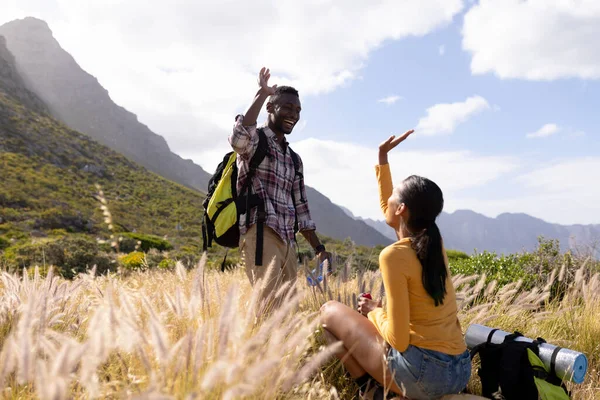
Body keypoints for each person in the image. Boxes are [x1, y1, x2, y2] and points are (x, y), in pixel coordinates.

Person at [319, 130, 470, 399]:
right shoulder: (435, 243)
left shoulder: (393, 256)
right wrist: (382, 159)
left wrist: (375, 311)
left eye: (393, 198)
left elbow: (398, 340)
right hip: (459, 370)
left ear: (401, 209)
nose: (387, 201)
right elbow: (389, 207)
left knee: (328, 312)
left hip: (425, 375)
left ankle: (372, 391)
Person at [229, 67, 332, 304]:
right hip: (261, 233)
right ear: (270, 108)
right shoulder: (256, 141)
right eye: (287, 107)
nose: (293, 114)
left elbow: (302, 211)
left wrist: (319, 249)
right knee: (269, 308)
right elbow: (238, 138)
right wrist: (262, 93)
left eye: (297, 110)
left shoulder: (294, 159)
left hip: (288, 241)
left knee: (287, 312)